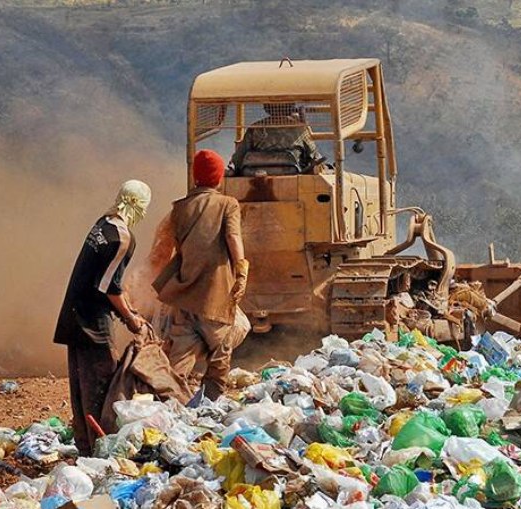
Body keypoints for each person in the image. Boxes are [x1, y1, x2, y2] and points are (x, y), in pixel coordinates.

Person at [53, 180, 151, 456]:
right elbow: (109, 288)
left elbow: (109, 281)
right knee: (103, 386)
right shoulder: (122, 237)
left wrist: (129, 310)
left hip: (74, 315)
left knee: (80, 387)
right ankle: (103, 451)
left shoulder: (103, 224)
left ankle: (85, 446)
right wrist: (131, 319)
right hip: (92, 323)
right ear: (138, 205)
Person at [154, 150, 251, 400]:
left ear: (195, 176)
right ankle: (211, 400)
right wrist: (241, 271)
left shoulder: (179, 208)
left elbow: (167, 247)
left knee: (180, 355)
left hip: (183, 293)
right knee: (222, 345)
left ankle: (168, 401)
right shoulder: (228, 204)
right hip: (214, 295)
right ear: (218, 178)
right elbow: (233, 237)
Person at [230, 103, 324, 175]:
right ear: (290, 107)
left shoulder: (255, 128)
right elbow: (314, 156)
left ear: (267, 107)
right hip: (293, 175)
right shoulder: (299, 128)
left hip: (255, 176)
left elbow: (238, 158)